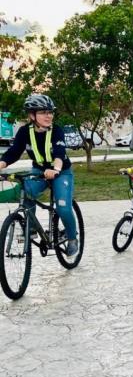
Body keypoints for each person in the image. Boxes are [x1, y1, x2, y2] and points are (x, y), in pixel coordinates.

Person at [0, 94, 79, 256]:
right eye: (43, 112)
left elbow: (59, 153)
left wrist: (56, 170)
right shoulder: (24, 132)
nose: (48, 116)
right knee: (26, 192)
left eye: (50, 112)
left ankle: (72, 238)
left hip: (61, 172)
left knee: (63, 208)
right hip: (39, 171)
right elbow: (13, 153)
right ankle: (32, 229)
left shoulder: (56, 131)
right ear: (32, 115)